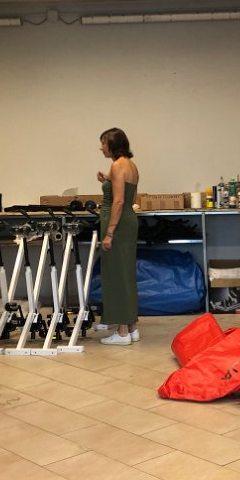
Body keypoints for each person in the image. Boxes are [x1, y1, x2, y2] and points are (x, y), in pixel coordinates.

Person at [96, 127, 140, 345]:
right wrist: (107, 179)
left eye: (103, 143)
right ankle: (131, 327)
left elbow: (119, 201)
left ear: (113, 144)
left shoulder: (117, 165)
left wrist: (110, 232)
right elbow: (128, 194)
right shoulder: (130, 165)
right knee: (126, 274)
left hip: (118, 224)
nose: (101, 147)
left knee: (116, 276)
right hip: (128, 221)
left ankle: (122, 332)